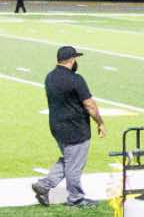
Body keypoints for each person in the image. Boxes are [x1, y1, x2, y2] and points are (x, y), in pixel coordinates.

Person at [31, 45, 104, 207]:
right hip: (75, 128)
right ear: (72, 60)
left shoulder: (50, 77)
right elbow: (90, 105)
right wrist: (100, 122)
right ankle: (76, 198)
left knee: (70, 160)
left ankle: (44, 185)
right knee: (75, 165)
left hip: (57, 127)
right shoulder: (75, 79)